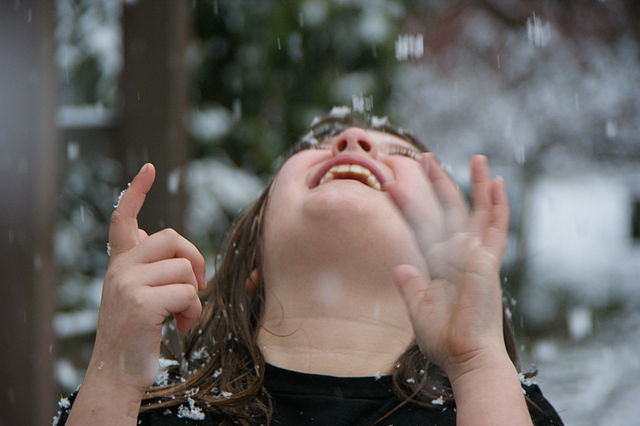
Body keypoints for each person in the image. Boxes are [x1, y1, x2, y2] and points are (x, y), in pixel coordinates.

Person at [55, 111, 563, 425]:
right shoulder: (139, 409)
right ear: (253, 260)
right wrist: (114, 374)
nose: (353, 137)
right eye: (317, 147)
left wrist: (478, 364)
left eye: (401, 154)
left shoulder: (497, 406)